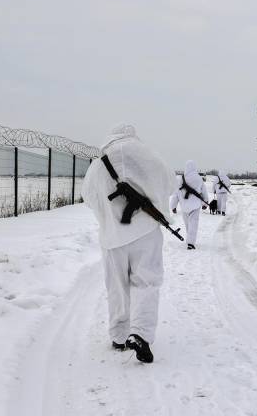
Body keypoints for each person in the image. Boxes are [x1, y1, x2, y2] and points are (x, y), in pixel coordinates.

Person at [81, 125, 176, 363]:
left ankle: (119, 335)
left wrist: (109, 215)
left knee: (117, 285)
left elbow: (89, 197)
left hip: (113, 237)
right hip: (146, 232)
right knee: (147, 283)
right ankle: (140, 334)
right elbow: (171, 183)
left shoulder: (99, 163)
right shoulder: (149, 156)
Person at [170, 160, 209, 250]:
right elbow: (204, 192)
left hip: (184, 206)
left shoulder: (180, 179)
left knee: (188, 224)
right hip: (195, 206)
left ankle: (189, 239)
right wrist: (205, 203)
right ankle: (191, 242)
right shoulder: (198, 178)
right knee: (193, 225)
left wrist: (173, 206)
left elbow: (176, 194)